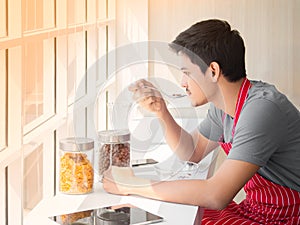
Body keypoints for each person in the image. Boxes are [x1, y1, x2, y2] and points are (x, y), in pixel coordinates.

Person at [102, 19, 300, 224]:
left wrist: (131, 185)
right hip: (256, 210)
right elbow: (192, 152)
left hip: (287, 217)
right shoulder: (223, 108)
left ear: (213, 71)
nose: (182, 83)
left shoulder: (262, 109)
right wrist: (162, 112)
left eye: (187, 73)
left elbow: (217, 195)